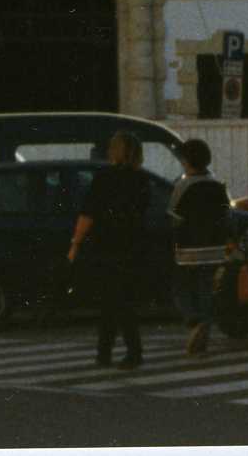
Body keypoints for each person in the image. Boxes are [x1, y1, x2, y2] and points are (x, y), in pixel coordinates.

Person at [68, 130, 152, 368]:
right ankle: (128, 351)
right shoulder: (142, 179)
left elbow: (88, 214)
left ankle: (108, 352)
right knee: (124, 300)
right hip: (132, 245)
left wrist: (75, 243)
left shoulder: (104, 178)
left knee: (108, 301)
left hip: (105, 244)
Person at [168, 138, 231, 356]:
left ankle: (194, 322)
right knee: (205, 290)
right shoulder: (218, 184)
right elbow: (226, 215)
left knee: (180, 289)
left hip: (187, 250)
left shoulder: (182, 185)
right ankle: (204, 330)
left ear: (185, 161)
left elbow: (173, 217)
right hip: (214, 249)